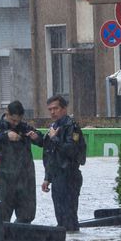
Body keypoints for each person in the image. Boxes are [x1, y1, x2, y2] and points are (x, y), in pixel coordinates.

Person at [0, 100, 39, 224]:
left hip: (24, 179)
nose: (15, 124)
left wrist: (36, 136)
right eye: (13, 120)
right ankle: (4, 238)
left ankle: (19, 238)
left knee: (27, 214)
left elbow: (41, 141)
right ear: (6, 113)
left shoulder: (24, 128)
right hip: (1, 178)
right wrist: (5, 136)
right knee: (1, 216)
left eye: (18, 121)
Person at [38, 93, 87, 231]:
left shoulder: (72, 127)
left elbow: (71, 150)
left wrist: (55, 139)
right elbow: (50, 156)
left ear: (64, 109)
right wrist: (47, 178)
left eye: (56, 108)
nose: (52, 112)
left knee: (69, 217)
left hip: (70, 175)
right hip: (58, 177)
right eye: (50, 109)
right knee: (60, 217)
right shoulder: (54, 127)